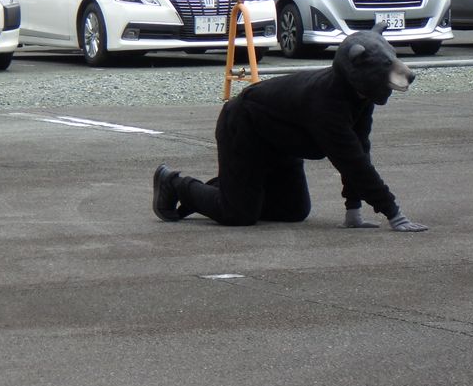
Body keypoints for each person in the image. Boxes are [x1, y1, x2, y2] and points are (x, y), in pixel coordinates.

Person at [152, 25, 429, 232]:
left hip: (283, 142)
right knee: (239, 215)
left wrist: (353, 211)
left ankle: (230, 188)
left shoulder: (359, 95)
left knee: (293, 210)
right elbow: (352, 162)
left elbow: (360, 148)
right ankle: (175, 183)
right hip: (244, 125)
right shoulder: (327, 102)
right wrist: (394, 214)